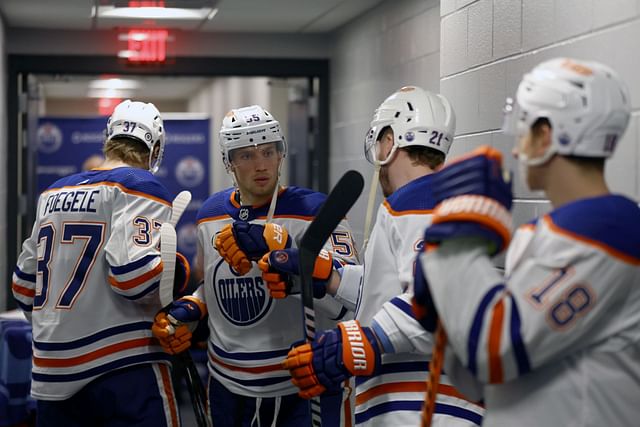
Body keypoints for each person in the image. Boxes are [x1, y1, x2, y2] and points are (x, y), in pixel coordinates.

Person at [411, 58, 640, 426]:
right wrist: (447, 314)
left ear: (548, 136)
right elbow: (481, 380)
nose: (516, 149)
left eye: (524, 129)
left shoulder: (610, 230)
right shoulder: (550, 232)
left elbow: (497, 349)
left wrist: (455, 251)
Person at [264, 86, 483, 425]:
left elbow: (438, 300)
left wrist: (360, 341)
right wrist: (331, 276)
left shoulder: (422, 203)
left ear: (390, 141)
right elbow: (400, 290)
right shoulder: (436, 201)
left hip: (423, 408)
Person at [153, 104, 359, 426]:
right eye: (246, 155)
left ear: (281, 154)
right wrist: (195, 306)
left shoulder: (315, 210)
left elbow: (351, 300)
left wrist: (291, 254)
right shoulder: (210, 213)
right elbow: (210, 282)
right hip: (227, 385)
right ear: (229, 162)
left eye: (268, 151)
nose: (260, 164)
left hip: (301, 384)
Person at [11, 100, 189, 427]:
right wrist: (174, 266)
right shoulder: (141, 186)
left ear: (108, 138)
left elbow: (23, 287)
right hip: (123, 368)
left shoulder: (52, 192)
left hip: (52, 373)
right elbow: (133, 278)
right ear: (156, 146)